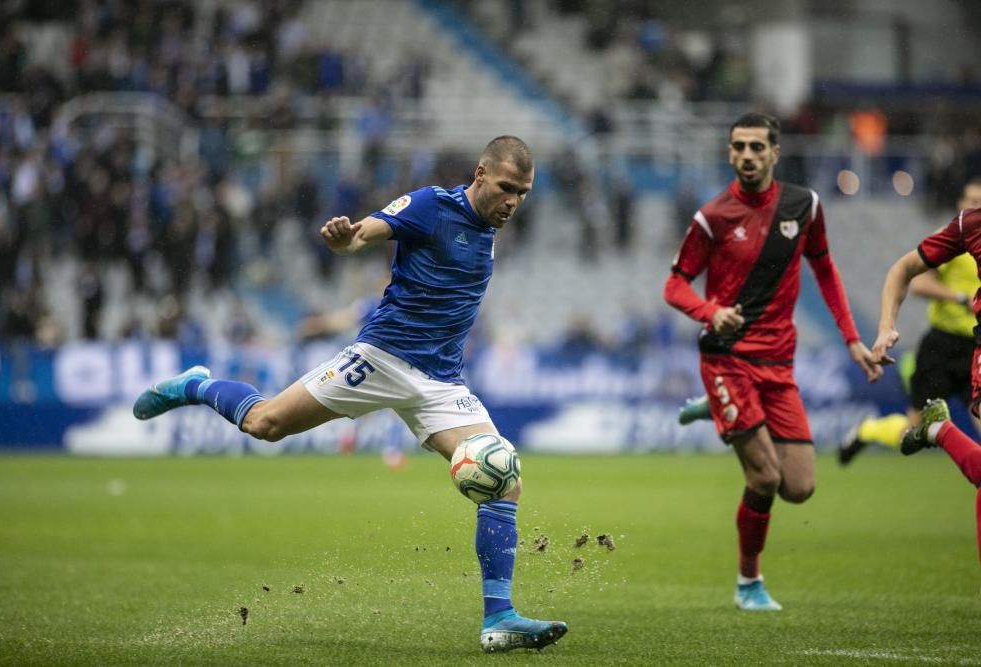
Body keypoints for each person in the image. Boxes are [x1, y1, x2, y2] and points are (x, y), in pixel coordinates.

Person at [132, 136, 568, 652]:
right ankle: (196, 385)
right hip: (381, 359)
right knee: (265, 424)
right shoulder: (432, 205)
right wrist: (346, 239)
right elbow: (367, 234)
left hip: (442, 382)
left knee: (502, 473)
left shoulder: (489, 226)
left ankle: (500, 619)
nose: (514, 201)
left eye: (523, 192)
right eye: (506, 188)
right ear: (479, 174)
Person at [663, 112, 881, 611]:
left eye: (757, 147)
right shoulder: (713, 216)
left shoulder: (804, 206)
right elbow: (674, 284)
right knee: (764, 478)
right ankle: (748, 582)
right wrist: (710, 312)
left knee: (799, 488)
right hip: (727, 359)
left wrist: (851, 339)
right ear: (729, 152)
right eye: (738, 146)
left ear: (775, 153)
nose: (746, 156)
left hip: (778, 364)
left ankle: (714, 410)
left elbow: (825, 269)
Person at [839, 179, 981, 464]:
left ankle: (938, 430)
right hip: (944, 345)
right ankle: (870, 429)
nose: (974, 205)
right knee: (912, 428)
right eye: (970, 200)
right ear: (961, 204)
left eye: (978, 200)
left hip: (973, 344)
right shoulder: (964, 232)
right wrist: (958, 297)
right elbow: (916, 282)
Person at [873, 198, 981, 567]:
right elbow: (904, 272)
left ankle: (939, 430)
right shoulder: (969, 226)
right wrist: (886, 326)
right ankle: (881, 431)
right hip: (950, 345)